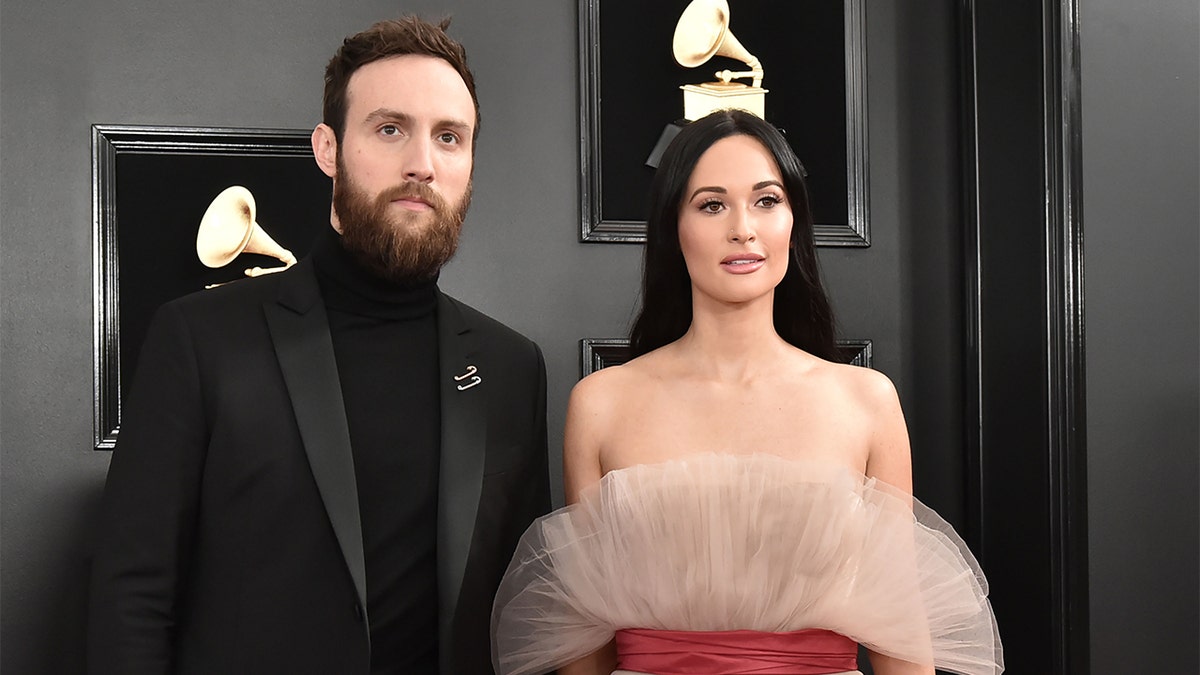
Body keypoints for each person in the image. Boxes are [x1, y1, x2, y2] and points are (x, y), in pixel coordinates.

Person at [87, 16, 550, 675]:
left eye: (450, 137)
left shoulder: (513, 368)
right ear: (327, 148)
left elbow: (525, 616)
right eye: (390, 129)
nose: (422, 162)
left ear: (470, 163)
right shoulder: (198, 340)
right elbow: (130, 594)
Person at [491, 109, 1002, 675]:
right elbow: (582, 644)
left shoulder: (866, 400)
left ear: (793, 222)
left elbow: (902, 638)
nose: (744, 227)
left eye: (766, 200)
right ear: (672, 228)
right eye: (712, 204)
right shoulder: (601, 403)